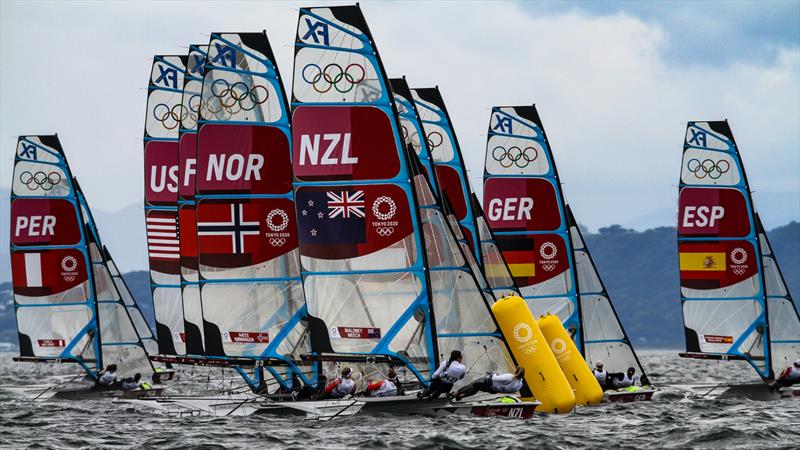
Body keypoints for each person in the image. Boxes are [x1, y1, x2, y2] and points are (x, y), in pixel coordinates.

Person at [453, 367, 526, 401]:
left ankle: (456, 393)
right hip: (493, 390)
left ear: (516, 371)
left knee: (474, 384)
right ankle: (462, 396)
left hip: (489, 384)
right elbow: (512, 391)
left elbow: (494, 378)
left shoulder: (509, 376)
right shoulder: (520, 384)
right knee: (476, 388)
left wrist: (494, 373)